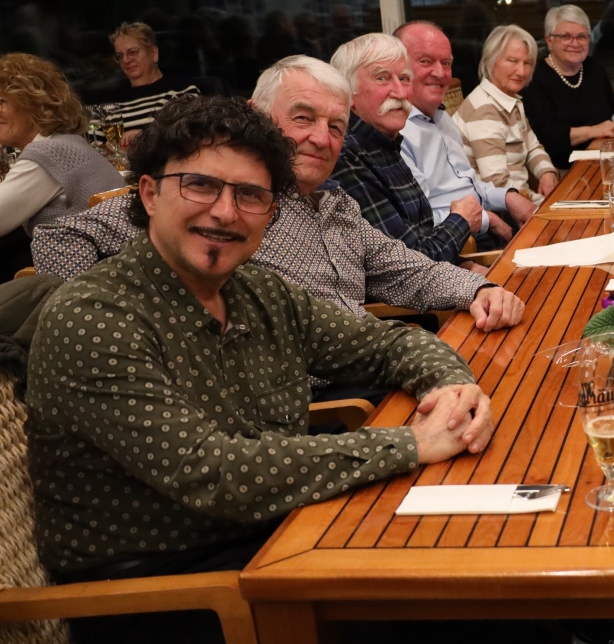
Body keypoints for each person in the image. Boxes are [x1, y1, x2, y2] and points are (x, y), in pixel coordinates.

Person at [28, 94, 527, 644]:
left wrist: (450, 387)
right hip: (156, 600)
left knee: (464, 593)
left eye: (250, 195)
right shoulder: (95, 317)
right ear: (148, 193)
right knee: (396, 641)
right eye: (200, 185)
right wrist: (409, 443)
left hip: (269, 543)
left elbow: (386, 344)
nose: (224, 211)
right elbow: (215, 472)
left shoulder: (258, 291)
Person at [31, 58, 525, 393]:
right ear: (258, 118)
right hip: (312, 407)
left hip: (368, 370)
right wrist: (123, 328)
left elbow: (408, 270)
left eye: (335, 127)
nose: (321, 139)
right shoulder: (219, 204)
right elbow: (61, 234)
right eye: (303, 118)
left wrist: (479, 290)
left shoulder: (335, 205)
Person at [330, 33, 487, 265]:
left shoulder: (387, 143)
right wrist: (461, 220)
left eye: (404, 79)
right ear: (347, 94)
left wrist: (464, 266)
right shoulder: (345, 155)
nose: (401, 93)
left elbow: (422, 242)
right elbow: (409, 265)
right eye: (382, 78)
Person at [0, 53, 125, 287]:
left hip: (90, 287)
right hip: (114, 275)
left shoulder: (47, 154)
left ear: (33, 102)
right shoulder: (67, 142)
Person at [395, 21, 538, 248]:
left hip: (483, 227)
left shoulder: (442, 118)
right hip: (456, 246)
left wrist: (508, 197)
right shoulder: (396, 131)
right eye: (425, 61)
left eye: (446, 63)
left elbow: (467, 183)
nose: (440, 73)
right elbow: (420, 221)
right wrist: (487, 219)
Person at [453, 25, 560, 205]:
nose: (521, 71)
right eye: (512, 61)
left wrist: (547, 173)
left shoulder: (510, 101)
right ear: (491, 60)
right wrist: (543, 203)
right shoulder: (484, 109)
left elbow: (533, 148)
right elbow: (498, 184)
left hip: (521, 199)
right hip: (499, 210)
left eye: (527, 63)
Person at [520, 5, 614, 170]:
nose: (575, 43)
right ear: (549, 40)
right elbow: (545, 135)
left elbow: (611, 108)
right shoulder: (536, 76)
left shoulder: (594, 67)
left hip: (605, 159)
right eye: (566, 36)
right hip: (563, 169)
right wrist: (593, 131)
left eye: (581, 36)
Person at [99, 22, 201, 147]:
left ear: (153, 53)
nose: (126, 60)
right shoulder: (111, 100)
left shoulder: (182, 89)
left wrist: (144, 137)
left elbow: (195, 134)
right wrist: (111, 145)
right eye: (120, 56)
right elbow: (92, 145)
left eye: (133, 52)